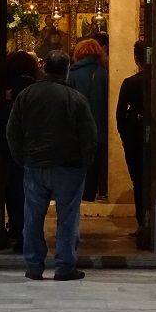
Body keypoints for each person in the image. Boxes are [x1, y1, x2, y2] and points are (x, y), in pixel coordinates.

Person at [7, 50, 98, 281]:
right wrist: (85, 163)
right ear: (66, 71)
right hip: (69, 167)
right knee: (67, 219)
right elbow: (89, 136)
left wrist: (22, 158)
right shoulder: (76, 98)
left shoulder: (26, 95)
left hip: (35, 165)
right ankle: (64, 266)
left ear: (44, 68)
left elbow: (12, 131)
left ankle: (34, 265)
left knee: (33, 218)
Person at [0, 50, 39, 252]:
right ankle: (26, 235)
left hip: (13, 154)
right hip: (33, 152)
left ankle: (16, 229)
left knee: (14, 193)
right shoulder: (36, 90)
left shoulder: (5, 94)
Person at [67, 38, 109, 202]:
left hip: (78, 127)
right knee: (95, 162)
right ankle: (92, 193)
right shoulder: (104, 74)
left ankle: (79, 193)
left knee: (78, 162)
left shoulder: (73, 74)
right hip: (99, 126)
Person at [116, 40, 145, 237]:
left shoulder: (130, 83)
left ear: (136, 58)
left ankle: (142, 223)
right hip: (152, 136)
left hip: (133, 135)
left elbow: (120, 113)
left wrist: (124, 134)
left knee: (138, 181)